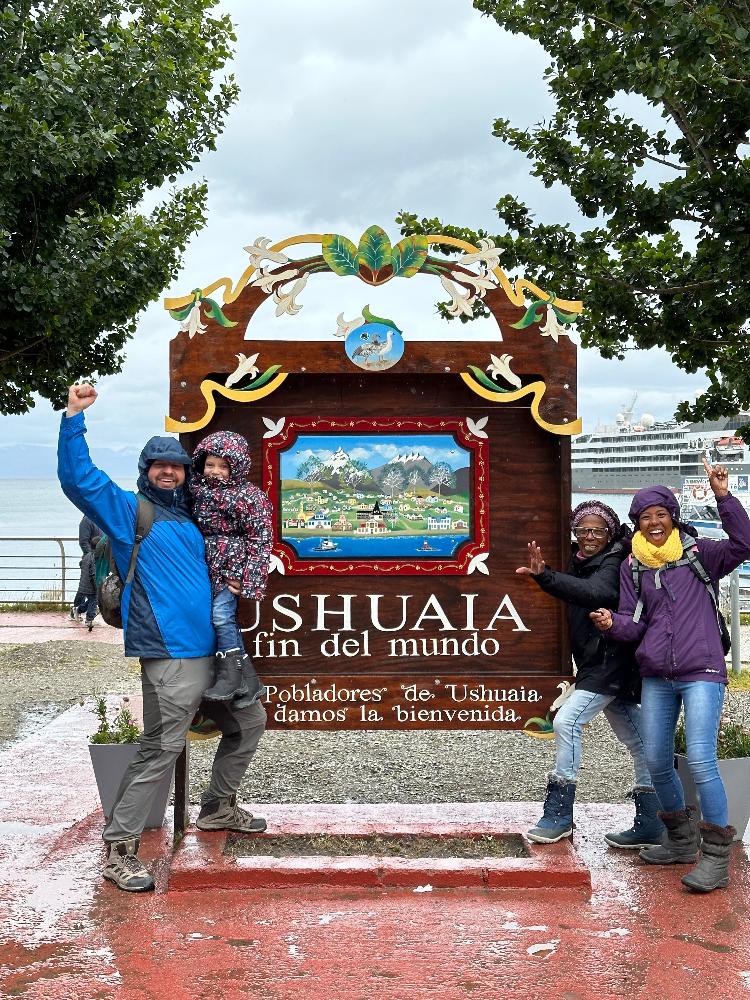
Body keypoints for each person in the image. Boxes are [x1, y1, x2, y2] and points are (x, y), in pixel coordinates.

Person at [58, 384, 268, 894]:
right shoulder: (131, 513)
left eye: (177, 464)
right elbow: (79, 480)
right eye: (159, 465)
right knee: (163, 746)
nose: (169, 471)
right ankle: (119, 847)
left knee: (250, 719)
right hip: (169, 654)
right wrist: (72, 418)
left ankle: (217, 807)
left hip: (214, 653)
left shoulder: (193, 514)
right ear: (146, 470)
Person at [591, 458, 750, 893]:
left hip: (702, 670)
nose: (654, 522)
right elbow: (634, 622)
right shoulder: (633, 567)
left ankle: (715, 858)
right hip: (657, 673)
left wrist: (723, 495)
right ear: (636, 524)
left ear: (673, 517)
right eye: (646, 517)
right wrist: (612, 623)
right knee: (657, 760)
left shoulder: (702, 555)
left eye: (661, 514)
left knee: (699, 759)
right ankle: (680, 841)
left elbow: (745, 542)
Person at [517, 501, 663, 848]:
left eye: (597, 530)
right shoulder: (578, 560)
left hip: (611, 661)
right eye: (583, 530)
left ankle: (559, 814)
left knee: (567, 722)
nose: (589, 537)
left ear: (610, 533)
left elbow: (596, 592)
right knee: (642, 742)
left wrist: (546, 576)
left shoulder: (615, 562)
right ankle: (653, 820)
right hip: (597, 662)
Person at [189, 431, 273, 706]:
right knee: (224, 618)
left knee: (221, 617)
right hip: (207, 567)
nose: (216, 471)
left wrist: (249, 581)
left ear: (235, 467)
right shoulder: (195, 491)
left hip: (231, 569)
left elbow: (261, 538)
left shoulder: (248, 496)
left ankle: (228, 677)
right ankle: (250, 682)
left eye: (223, 466)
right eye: (210, 464)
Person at [69, 515, 101, 620]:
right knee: (86, 586)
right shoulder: (87, 520)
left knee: (88, 587)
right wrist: (91, 556)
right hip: (91, 558)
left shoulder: (102, 517)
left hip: (102, 557)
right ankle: (76, 608)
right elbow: (83, 541)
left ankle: (79, 608)